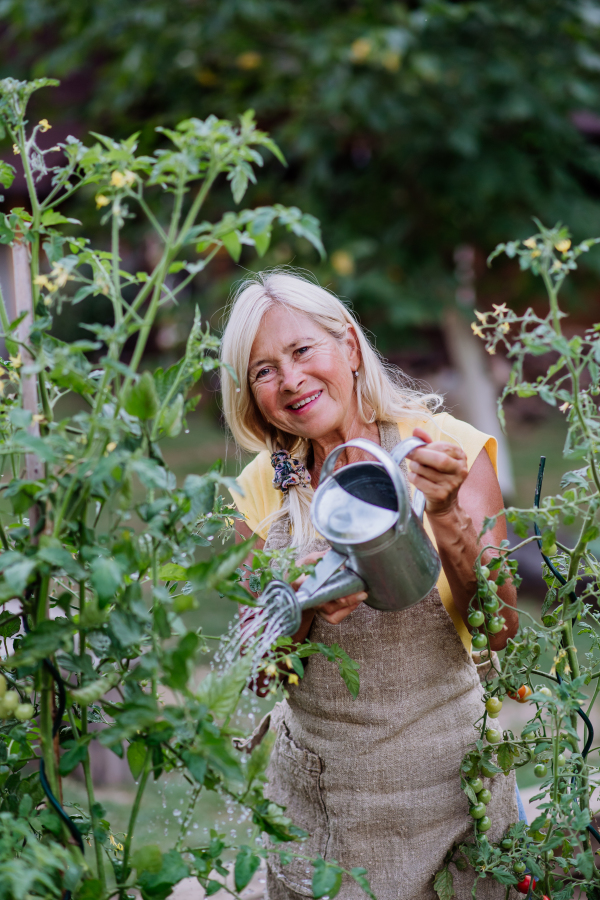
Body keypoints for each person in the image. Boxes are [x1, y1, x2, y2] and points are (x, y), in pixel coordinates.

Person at [222, 271, 520, 900]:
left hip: (451, 786)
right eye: (264, 370)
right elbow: (256, 675)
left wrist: (443, 514)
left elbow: (501, 628)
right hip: (325, 803)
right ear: (251, 395)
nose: (291, 380)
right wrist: (301, 604)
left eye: (303, 351)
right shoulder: (259, 491)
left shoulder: (447, 452)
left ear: (351, 347)